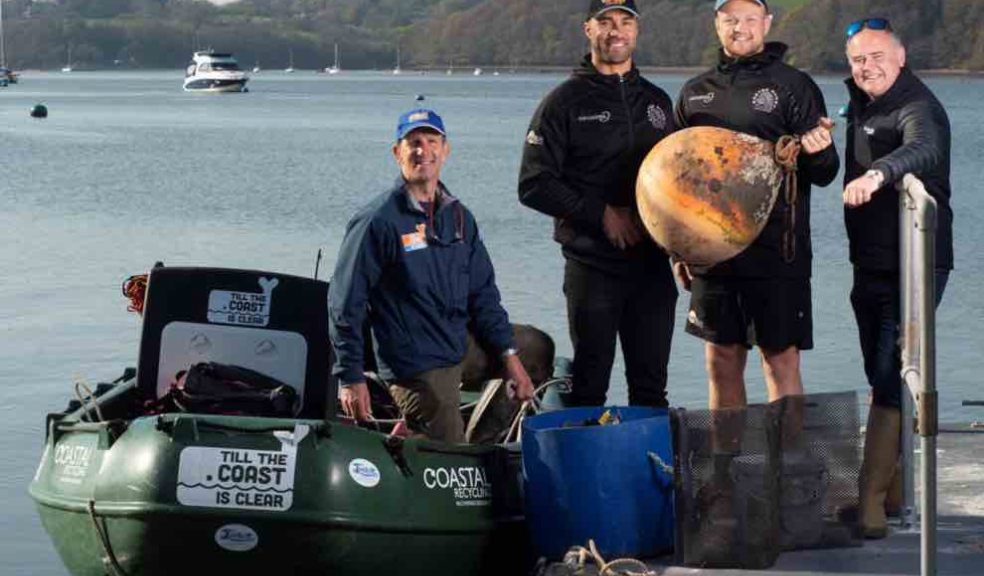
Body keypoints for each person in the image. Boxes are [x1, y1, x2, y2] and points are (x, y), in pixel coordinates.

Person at [329, 107, 535, 443]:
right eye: (413, 143)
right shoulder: (377, 221)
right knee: (451, 448)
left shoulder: (459, 219)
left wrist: (510, 357)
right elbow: (344, 303)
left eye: (431, 140)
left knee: (535, 347)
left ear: (445, 149)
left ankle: (481, 442)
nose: (423, 150)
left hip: (456, 343)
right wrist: (350, 378)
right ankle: (434, 441)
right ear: (398, 153)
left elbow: (484, 295)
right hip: (414, 365)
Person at [673, 0, 839, 411]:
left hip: (778, 251)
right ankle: (727, 470)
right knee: (721, 360)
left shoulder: (794, 86)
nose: (739, 27)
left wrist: (819, 151)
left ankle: (788, 469)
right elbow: (676, 178)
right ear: (716, 24)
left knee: (779, 359)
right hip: (712, 253)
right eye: (730, 19)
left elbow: (826, 172)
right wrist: (677, 246)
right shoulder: (695, 92)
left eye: (749, 18)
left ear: (766, 23)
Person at [518, 0, 678, 408]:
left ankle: (652, 471)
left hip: (652, 268)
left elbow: (680, 184)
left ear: (637, 31)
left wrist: (686, 249)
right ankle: (589, 471)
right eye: (605, 22)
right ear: (587, 29)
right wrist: (601, 214)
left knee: (650, 388)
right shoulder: (563, 103)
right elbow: (534, 183)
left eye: (625, 21)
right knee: (589, 387)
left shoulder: (658, 103)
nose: (616, 30)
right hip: (592, 267)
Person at [841, 17, 952, 539]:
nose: (868, 67)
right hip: (871, 262)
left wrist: (880, 173)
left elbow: (924, 147)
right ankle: (893, 491)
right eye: (859, 59)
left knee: (889, 378)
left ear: (901, 56)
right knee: (878, 372)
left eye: (877, 56)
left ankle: (868, 504)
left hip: (915, 264)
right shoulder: (863, 103)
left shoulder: (917, 105)